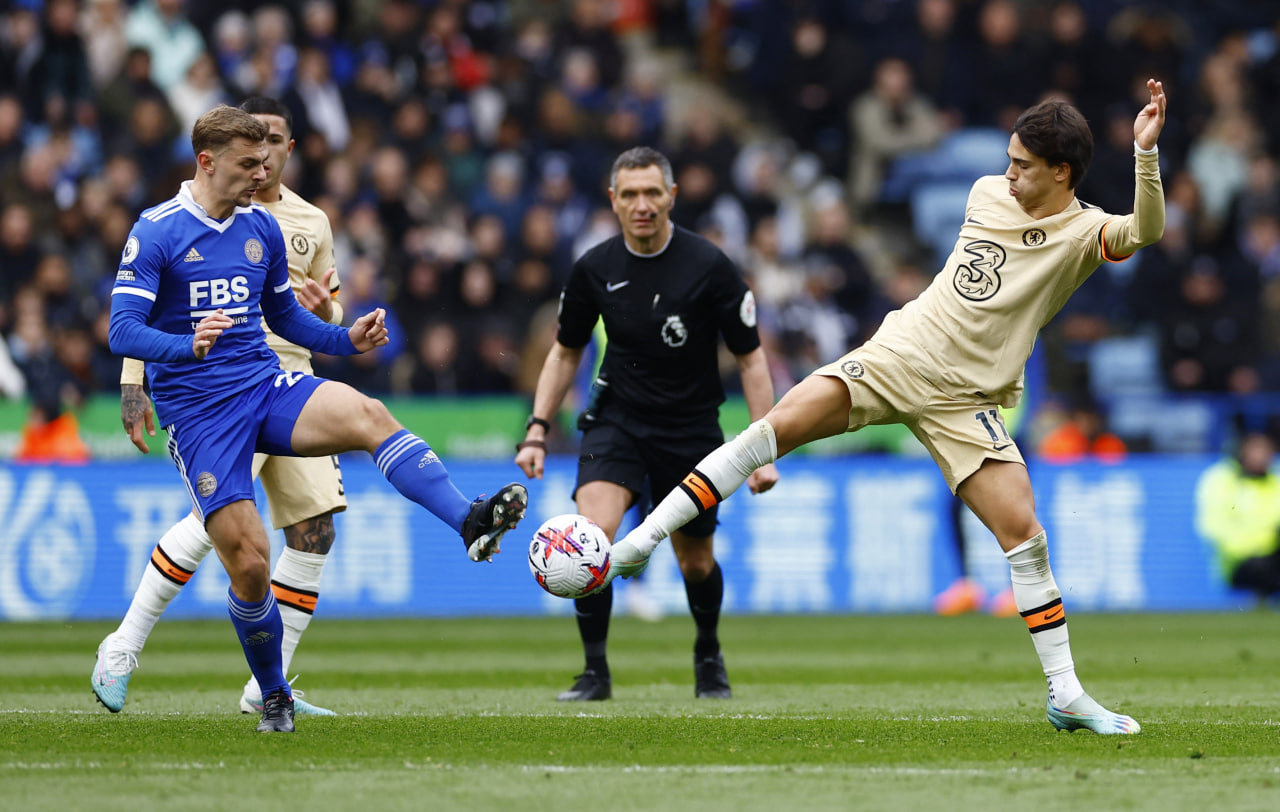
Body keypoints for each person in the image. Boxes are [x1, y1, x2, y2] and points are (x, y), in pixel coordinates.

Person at [609, 81, 1169, 735]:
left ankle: (1066, 695)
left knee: (1025, 535)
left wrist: (1144, 155)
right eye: (1009, 159)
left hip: (967, 399)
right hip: (901, 352)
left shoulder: (1082, 234)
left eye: (1022, 165)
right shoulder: (985, 195)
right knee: (775, 429)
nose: (1007, 173)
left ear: (1061, 172)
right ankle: (640, 544)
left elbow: (1146, 229)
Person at [97, 105, 527, 733]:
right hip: (199, 412)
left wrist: (345, 337)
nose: (261, 170)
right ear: (207, 161)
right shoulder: (157, 230)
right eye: (248, 161)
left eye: (267, 157)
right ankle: (268, 691)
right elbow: (122, 329)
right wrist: (182, 348)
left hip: (264, 382)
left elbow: (285, 317)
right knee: (248, 558)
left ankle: (467, 520)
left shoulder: (266, 229)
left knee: (367, 414)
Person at [95, 97, 350, 718]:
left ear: (288, 149)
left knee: (315, 531)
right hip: (218, 388)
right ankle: (124, 645)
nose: (263, 157)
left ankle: (267, 683)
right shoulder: (184, 219)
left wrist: (333, 319)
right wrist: (136, 382)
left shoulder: (309, 222)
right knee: (218, 530)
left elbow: (328, 308)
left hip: (294, 380)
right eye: (254, 145)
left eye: (275, 143)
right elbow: (148, 312)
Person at [515, 146, 778, 701]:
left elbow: (752, 357)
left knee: (696, 560)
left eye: (652, 193)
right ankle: (594, 672)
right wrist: (537, 427)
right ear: (613, 200)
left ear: (672, 197)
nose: (642, 204)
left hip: (691, 431)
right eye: (629, 194)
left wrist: (763, 447)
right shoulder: (594, 269)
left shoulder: (710, 266)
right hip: (616, 422)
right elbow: (564, 353)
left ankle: (708, 655)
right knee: (589, 539)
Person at [1195, 430, 1280, 601]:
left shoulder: (1274, 480)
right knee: (1262, 567)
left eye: (1266, 451)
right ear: (1241, 451)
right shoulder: (1222, 479)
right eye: (1256, 450)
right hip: (1238, 561)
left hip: (1273, 556)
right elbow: (1212, 527)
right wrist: (1258, 544)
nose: (1261, 456)